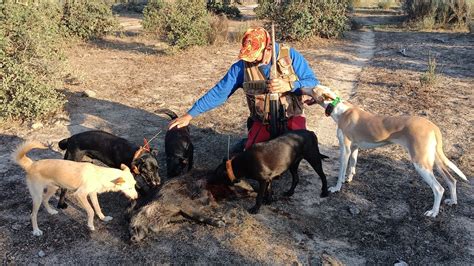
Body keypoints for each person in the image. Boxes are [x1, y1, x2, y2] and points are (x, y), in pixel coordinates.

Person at [169, 26, 319, 150]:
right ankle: (249, 141)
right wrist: (190, 115)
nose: (251, 59)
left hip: (291, 118)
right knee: (253, 158)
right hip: (263, 121)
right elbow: (219, 92)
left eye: (254, 55)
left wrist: (290, 85)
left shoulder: (290, 55)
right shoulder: (241, 67)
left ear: (268, 48)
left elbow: (312, 82)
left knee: (294, 155)